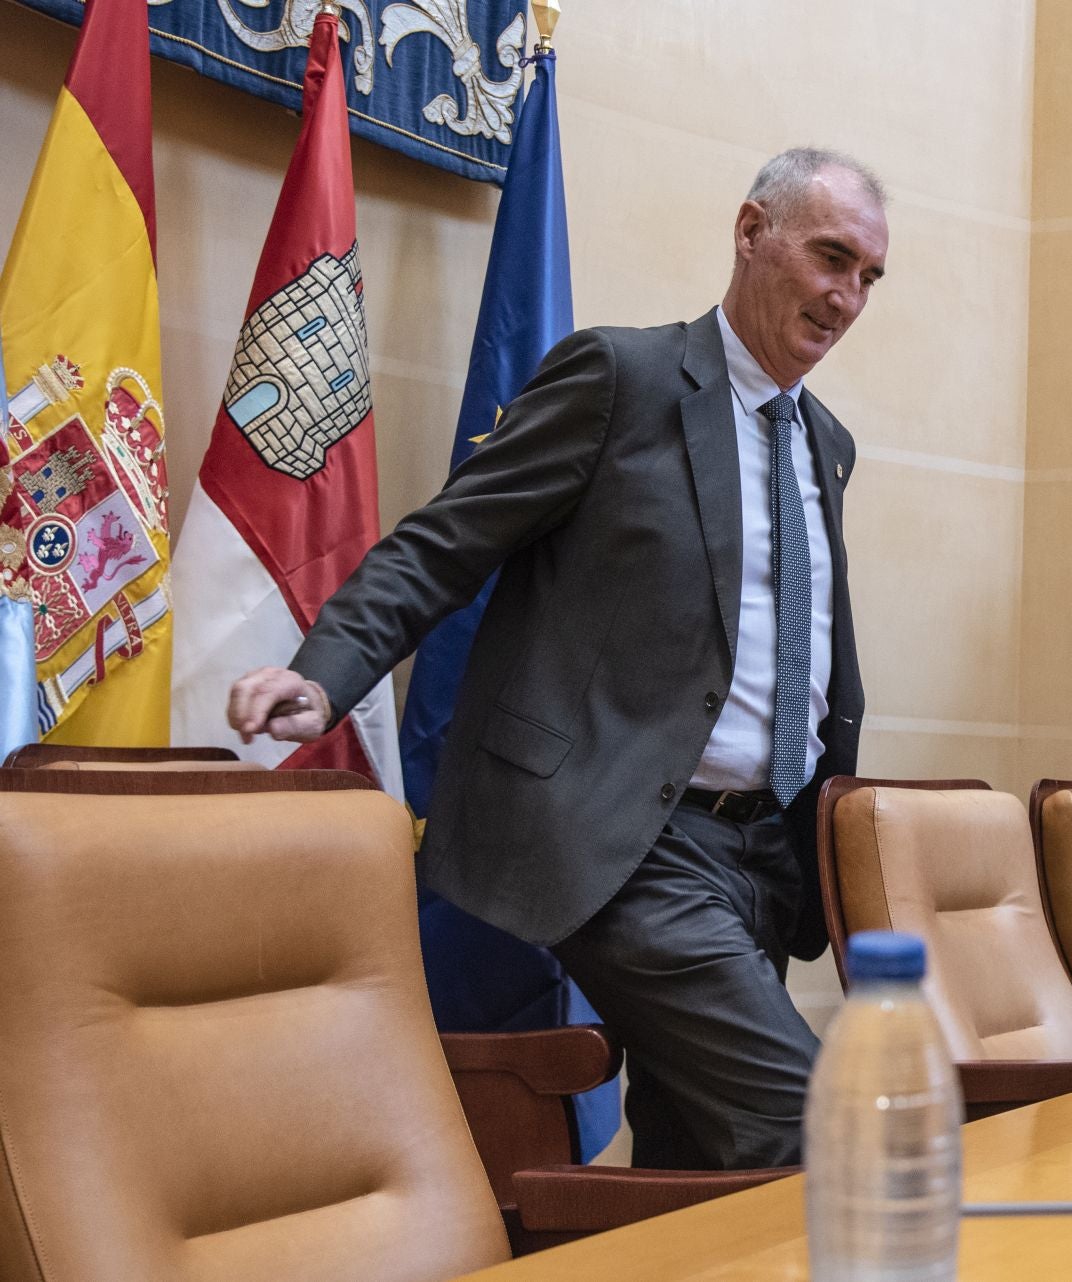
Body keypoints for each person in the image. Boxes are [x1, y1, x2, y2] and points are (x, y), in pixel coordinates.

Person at [225, 147, 888, 1170]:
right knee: (815, 1127)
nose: (846, 296)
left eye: (867, 278)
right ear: (752, 231)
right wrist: (326, 669)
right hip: (629, 839)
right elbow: (448, 538)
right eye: (831, 257)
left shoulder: (825, 443)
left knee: (699, 1163)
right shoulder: (621, 379)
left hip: (765, 855)